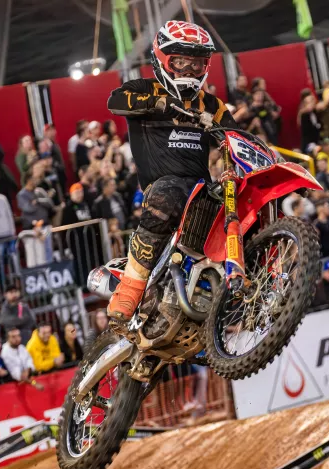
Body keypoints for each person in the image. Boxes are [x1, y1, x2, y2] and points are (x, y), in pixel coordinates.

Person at [104, 20, 236, 322]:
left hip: (202, 189)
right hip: (162, 186)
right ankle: (130, 286)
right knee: (169, 192)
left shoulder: (212, 104)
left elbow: (237, 137)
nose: (189, 70)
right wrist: (160, 103)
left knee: (239, 201)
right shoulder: (142, 88)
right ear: (163, 60)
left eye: (196, 64)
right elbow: (116, 101)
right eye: (180, 62)